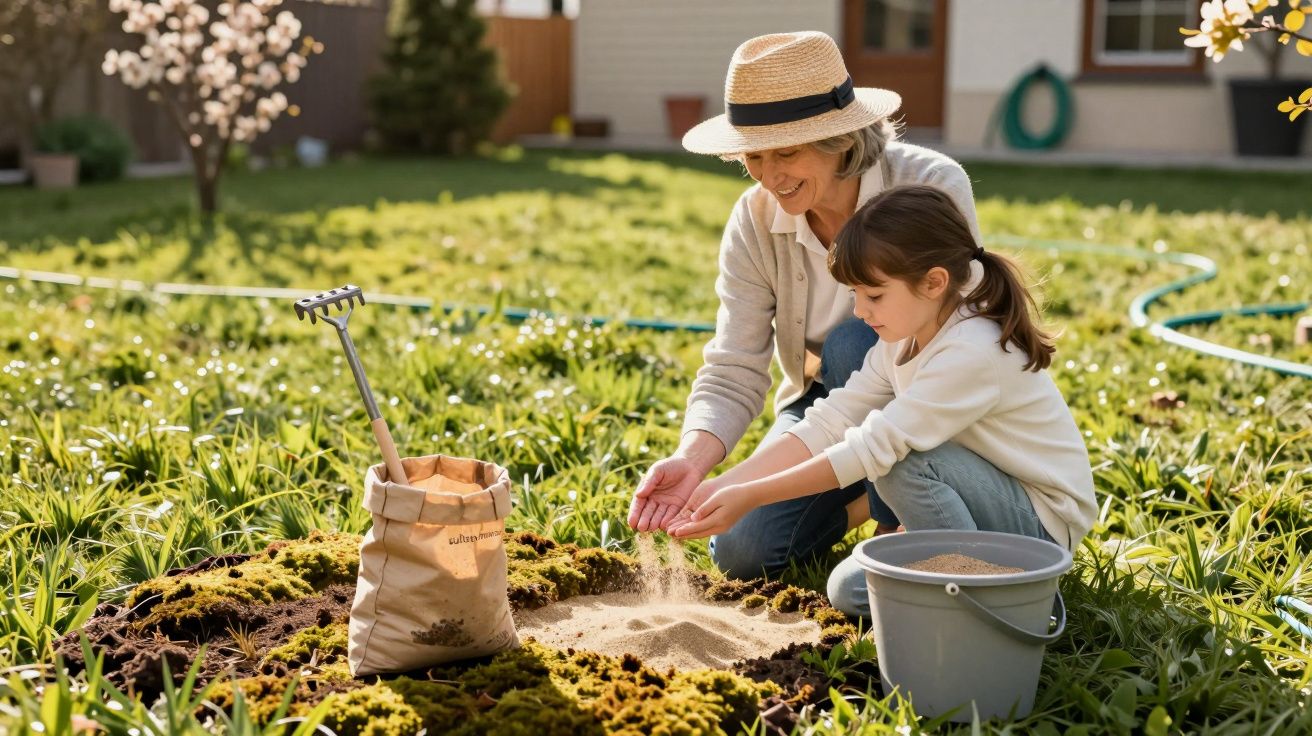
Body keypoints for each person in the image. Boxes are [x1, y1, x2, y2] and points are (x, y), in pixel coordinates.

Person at [627, 30, 983, 582]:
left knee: (853, 343)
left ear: (841, 136)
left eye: (787, 151)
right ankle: (860, 498)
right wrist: (695, 463)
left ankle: (897, 515)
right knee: (742, 552)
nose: (771, 177)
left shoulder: (929, 185)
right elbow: (734, 366)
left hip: (930, 408)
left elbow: (956, 344)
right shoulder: (755, 219)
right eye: (754, 155)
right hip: (829, 405)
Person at [666, 185, 1097, 618]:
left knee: (900, 462)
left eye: (873, 295)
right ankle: (955, 579)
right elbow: (833, 419)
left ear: (934, 282)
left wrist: (753, 495)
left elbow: (873, 448)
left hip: (1037, 524)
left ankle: (1004, 598)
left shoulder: (972, 349)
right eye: (854, 294)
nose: (859, 310)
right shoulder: (909, 328)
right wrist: (720, 487)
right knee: (847, 591)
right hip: (977, 497)